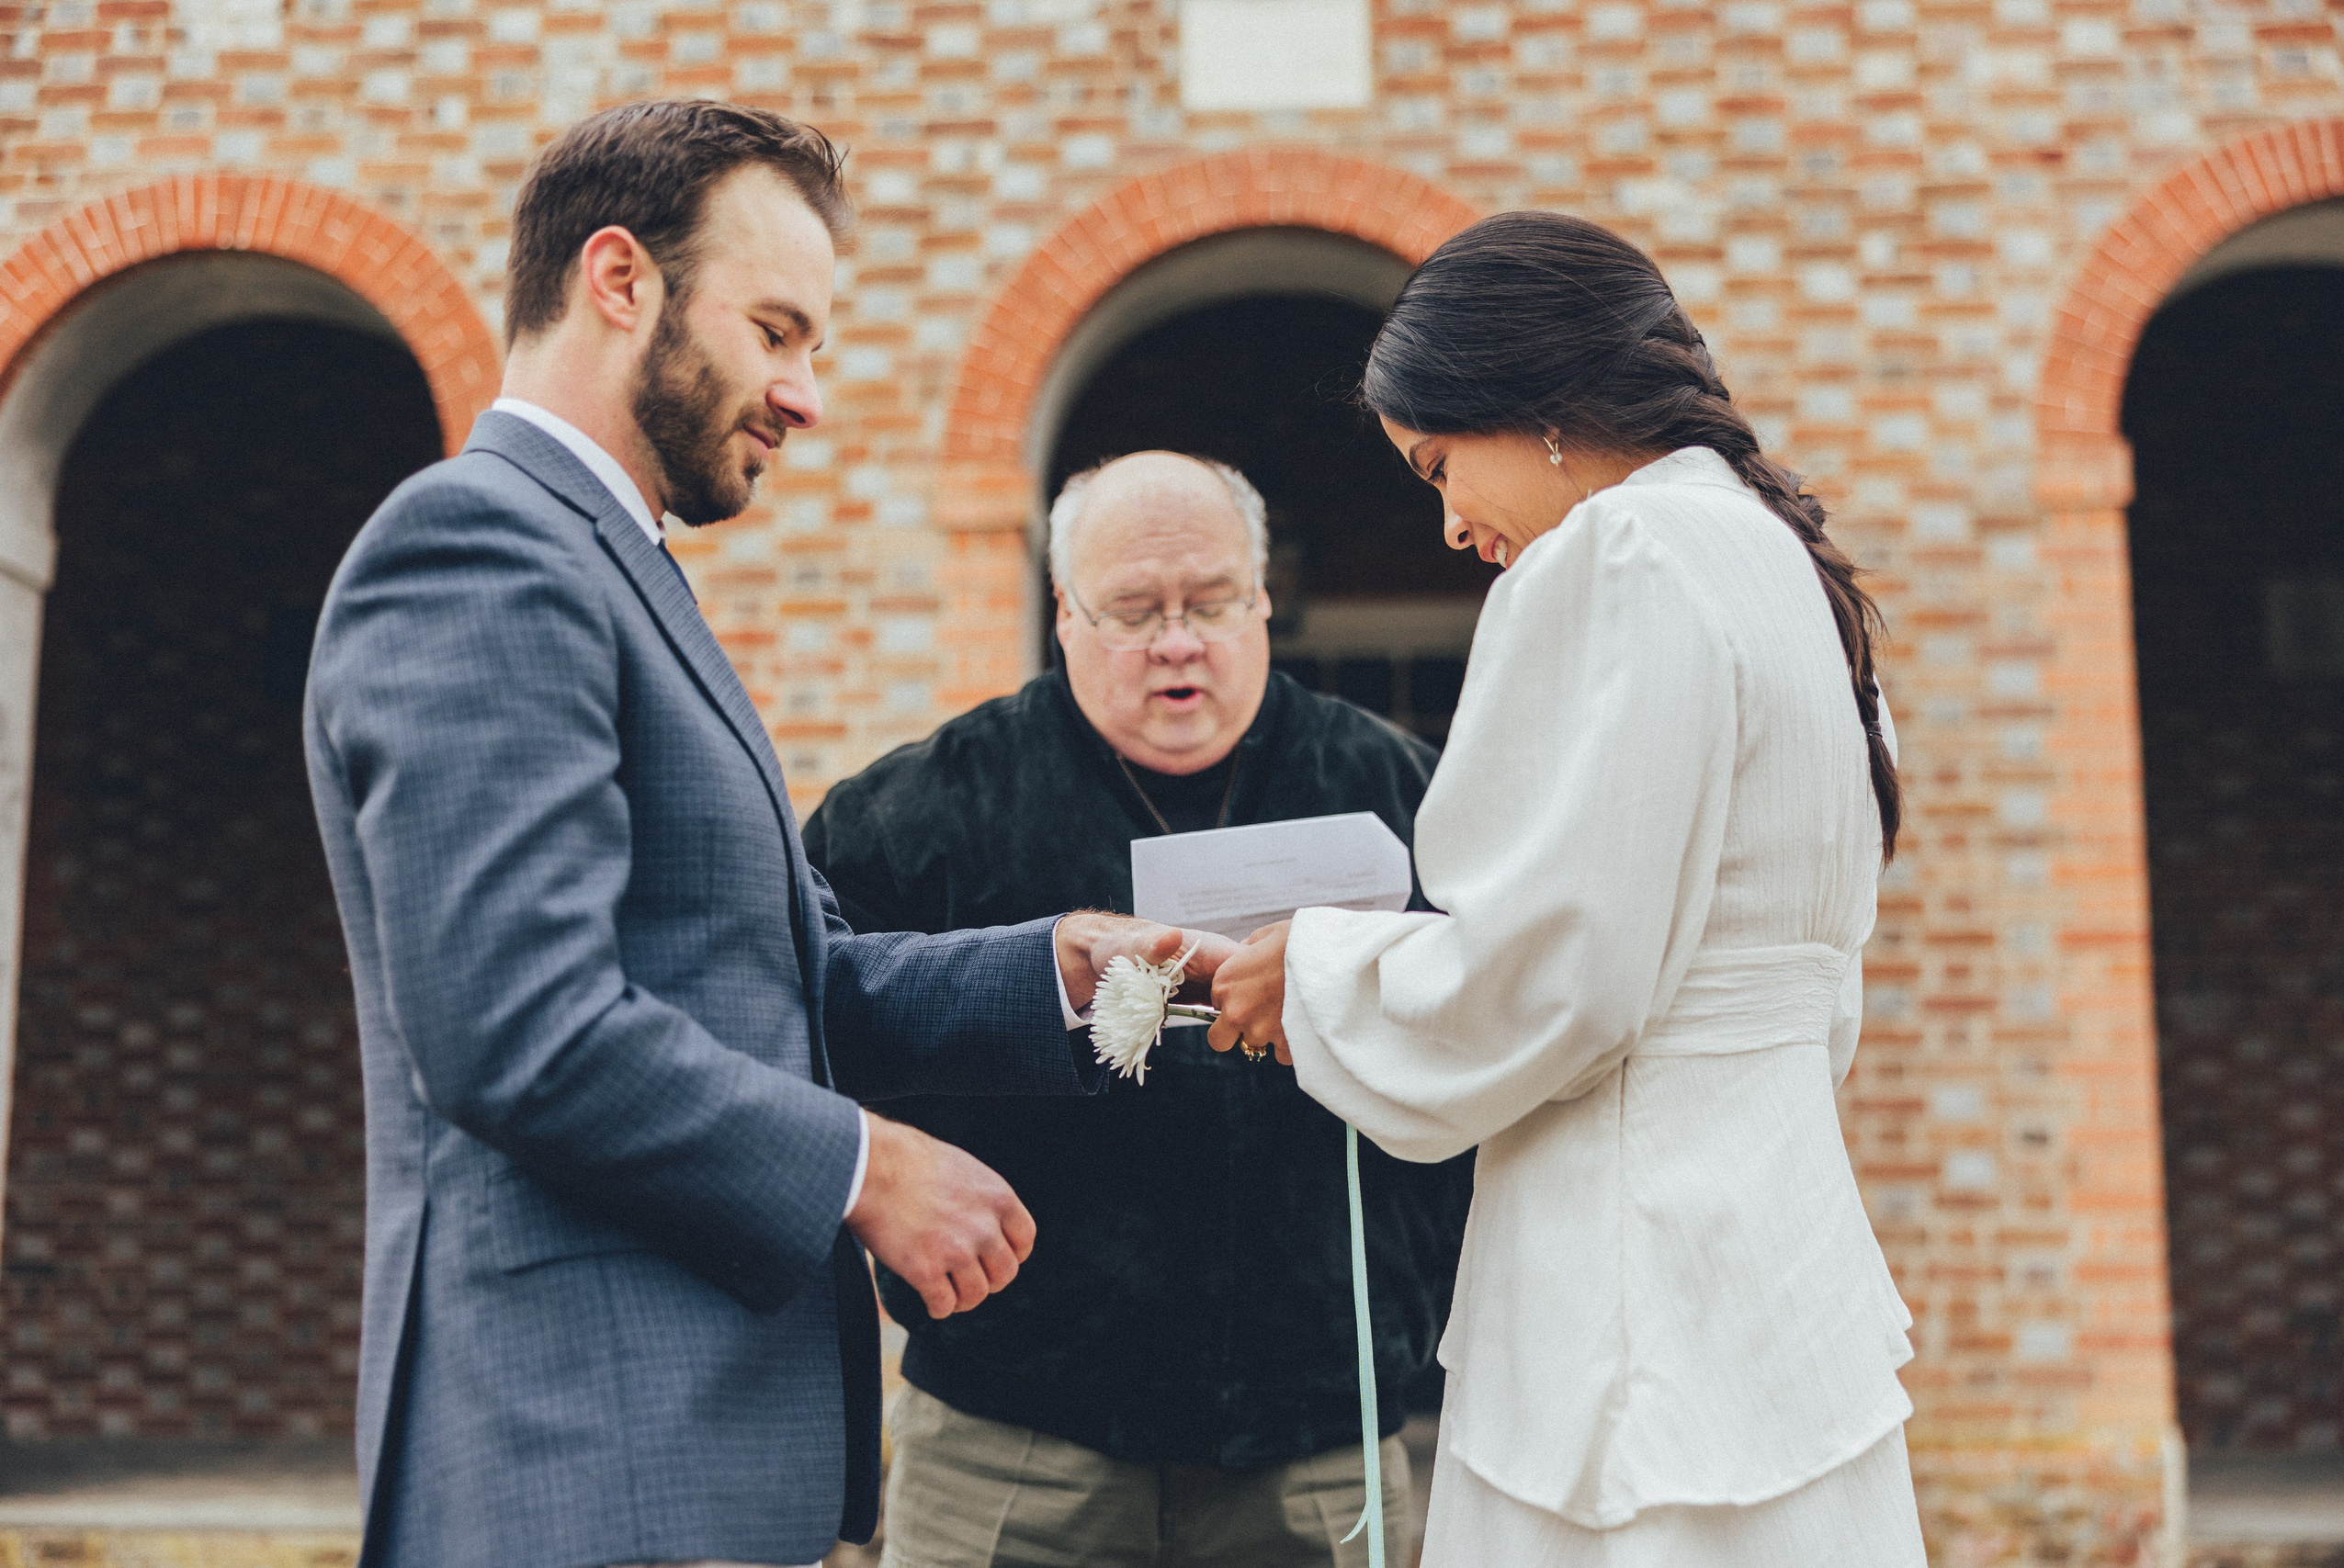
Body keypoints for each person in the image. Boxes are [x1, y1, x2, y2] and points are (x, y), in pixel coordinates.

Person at [303, 101, 1224, 1568]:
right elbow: (513, 1024)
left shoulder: (619, 570)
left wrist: (1049, 967)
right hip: (581, 1462)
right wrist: (865, 1166)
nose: (806, 395)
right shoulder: (476, 549)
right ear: (621, 280)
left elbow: (774, 978)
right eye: (778, 330)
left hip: (680, 1469)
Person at [1206, 211, 1927, 1566]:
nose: (1451, 524)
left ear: (1531, 409)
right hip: (1783, 1266)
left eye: (1437, 466)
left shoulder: (1621, 556)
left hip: (1635, 1287)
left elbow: (1557, 974)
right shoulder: (1789, 571)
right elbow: (1811, 988)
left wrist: (1314, 967)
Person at [801, 450, 1473, 1568]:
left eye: (1211, 602)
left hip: (1315, 1440)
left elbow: (1500, 1039)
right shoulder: (915, 814)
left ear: (1264, 600)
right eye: (1133, 610)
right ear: (1062, 613)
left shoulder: (1404, 796)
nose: (1178, 640)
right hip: (1006, 1436)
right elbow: (808, 1020)